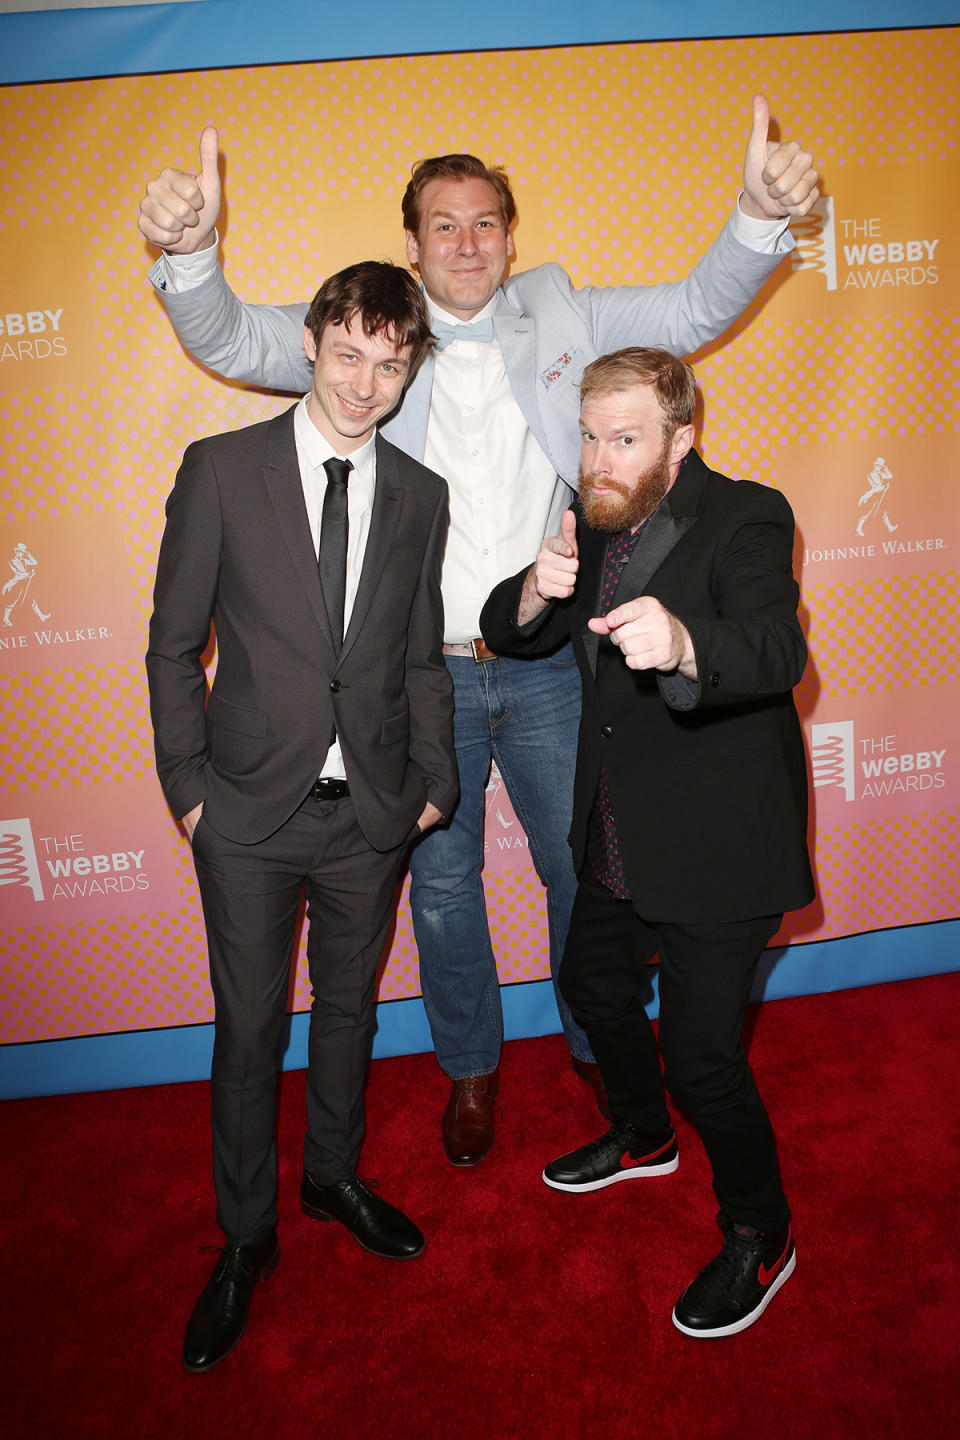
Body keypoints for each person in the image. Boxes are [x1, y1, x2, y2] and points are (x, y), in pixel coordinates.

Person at [137, 97, 819, 1167]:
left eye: (487, 222)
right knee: (445, 888)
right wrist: (185, 255)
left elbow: (690, 309)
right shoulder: (375, 341)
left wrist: (756, 216)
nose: (468, 241)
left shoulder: (558, 314)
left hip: (550, 662)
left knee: (581, 870)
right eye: (444, 224)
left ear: (510, 234)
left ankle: (607, 1056)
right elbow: (229, 333)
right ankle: (471, 1069)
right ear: (411, 242)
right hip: (418, 678)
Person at [146, 261, 458, 1372]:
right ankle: (244, 1238)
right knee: (249, 1030)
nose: (366, 385)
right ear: (314, 341)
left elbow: (421, 653)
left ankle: (332, 1177)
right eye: (348, 355)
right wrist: (190, 797)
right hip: (244, 815)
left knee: (348, 1013)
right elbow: (174, 646)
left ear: (408, 365)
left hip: (372, 813)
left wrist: (434, 784)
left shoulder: (421, 493)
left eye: (391, 362)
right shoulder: (224, 471)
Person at [479, 347, 814, 1338]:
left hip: (718, 844)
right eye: (588, 435)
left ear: (681, 439)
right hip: (621, 837)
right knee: (589, 987)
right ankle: (640, 1134)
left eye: (623, 438)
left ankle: (762, 1231)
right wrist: (536, 590)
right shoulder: (591, 516)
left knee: (704, 1058)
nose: (599, 457)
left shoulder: (748, 513)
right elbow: (517, 628)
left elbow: (777, 645)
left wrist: (687, 643)